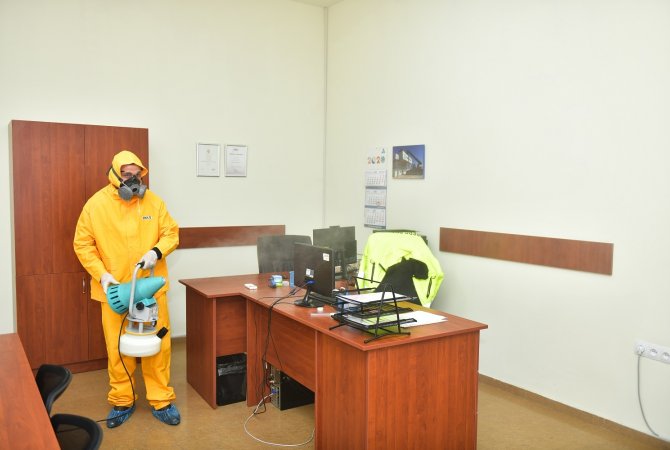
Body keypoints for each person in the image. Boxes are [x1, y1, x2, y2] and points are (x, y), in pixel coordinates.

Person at [73, 150, 181, 428]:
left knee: (158, 345)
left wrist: (156, 252)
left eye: (137, 173)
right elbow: (82, 244)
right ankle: (122, 401)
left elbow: (171, 233)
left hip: (151, 289)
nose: (132, 179)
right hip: (114, 292)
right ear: (113, 175)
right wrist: (102, 275)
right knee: (117, 348)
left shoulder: (153, 202)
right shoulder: (95, 205)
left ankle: (161, 400)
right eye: (126, 173)